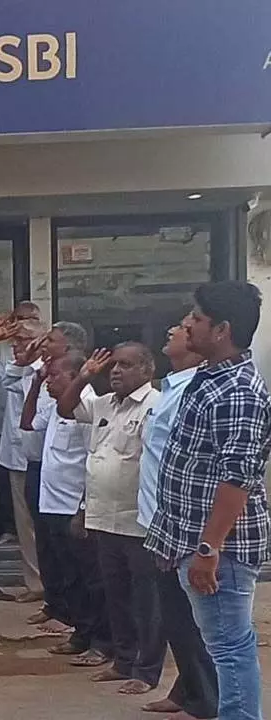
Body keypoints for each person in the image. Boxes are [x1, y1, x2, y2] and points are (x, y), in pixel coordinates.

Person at [146, 281, 271, 720]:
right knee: (223, 643)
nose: (187, 325)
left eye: (197, 319)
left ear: (222, 330)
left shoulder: (238, 391)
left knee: (229, 646)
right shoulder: (208, 377)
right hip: (193, 537)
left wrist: (207, 548)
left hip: (221, 548)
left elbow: (236, 478)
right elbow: (189, 466)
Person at [58, 343, 164, 694]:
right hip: (104, 517)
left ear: (147, 371)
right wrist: (85, 375)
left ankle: (147, 671)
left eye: (126, 365)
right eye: (113, 365)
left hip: (138, 520)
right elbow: (65, 406)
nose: (116, 371)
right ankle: (122, 661)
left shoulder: (156, 406)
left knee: (145, 599)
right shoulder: (104, 404)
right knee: (114, 594)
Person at [136, 325, 217, 720]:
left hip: (181, 522)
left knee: (189, 618)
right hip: (159, 517)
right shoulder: (171, 388)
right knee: (175, 614)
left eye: (185, 327)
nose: (171, 330)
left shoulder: (193, 390)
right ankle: (186, 689)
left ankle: (204, 700)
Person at [20, 352, 112, 668]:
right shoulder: (56, 406)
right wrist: (34, 383)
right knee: (68, 576)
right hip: (51, 503)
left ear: (76, 375)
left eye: (55, 375)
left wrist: (84, 508)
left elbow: (93, 461)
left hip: (74, 506)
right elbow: (28, 423)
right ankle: (81, 634)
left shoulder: (89, 406)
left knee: (90, 579)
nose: (49, 380)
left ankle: (101, 641)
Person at [0, 303, 44, 602]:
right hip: (16, 457)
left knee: (48, 529)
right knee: (25, 527)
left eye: (23, 342)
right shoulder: (11, 369)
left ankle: (57, 591)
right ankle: (36, 586)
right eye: (14, 342)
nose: (16, 347)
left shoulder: (48, 372)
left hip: (45, 461)